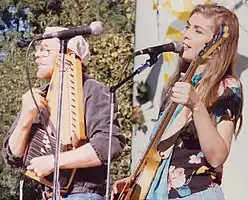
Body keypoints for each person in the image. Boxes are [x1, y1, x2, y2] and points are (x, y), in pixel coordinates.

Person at [112, 3, 243, 200]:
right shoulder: (178, 84)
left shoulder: (227, 87)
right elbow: (162, 152)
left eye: (197, 31)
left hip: (196, 193)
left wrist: (196, 105)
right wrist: (137, 179)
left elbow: (217, 156)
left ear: (216, 46)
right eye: (188, 26)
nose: (187, 34)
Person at [2, 27, 125, 200]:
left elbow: (109, 144)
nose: (37, 55)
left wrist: (54, 162)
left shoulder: (91, 89)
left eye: (44, 49)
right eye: (38, 49)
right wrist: (25, 119)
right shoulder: (38, 95)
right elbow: (12, 157)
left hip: (82, 194)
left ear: (68, 55)